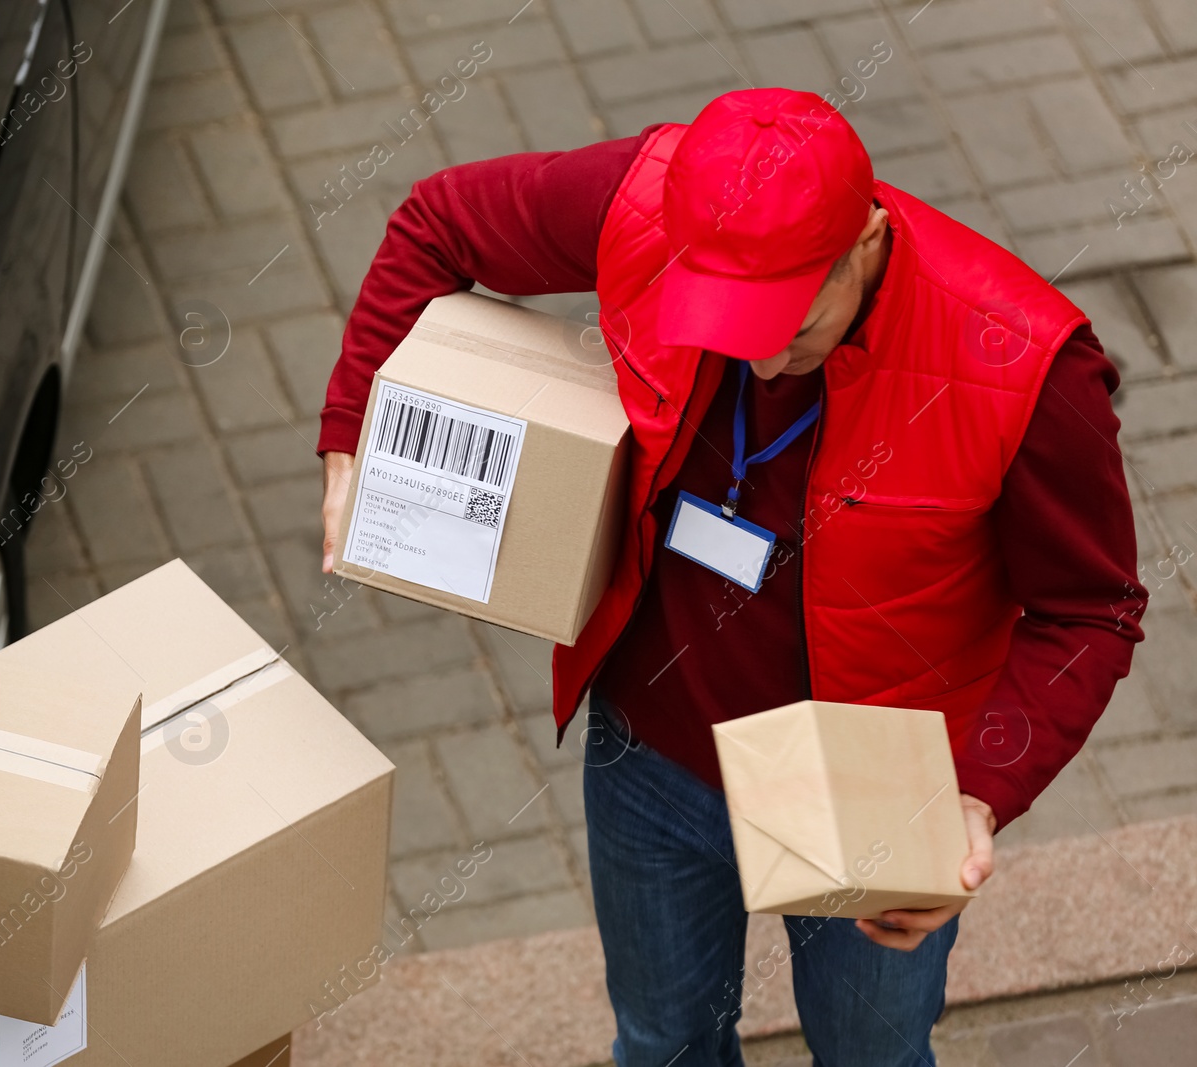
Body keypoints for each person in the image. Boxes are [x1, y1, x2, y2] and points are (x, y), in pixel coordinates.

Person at [316, 87, 1145, 1066]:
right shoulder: (650, 201)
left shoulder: (1024, 365)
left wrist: (976, 791)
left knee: (871, 1053)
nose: (756, 362)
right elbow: (435, 225)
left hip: (867, 790)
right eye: (726, 323)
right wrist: (348, 446)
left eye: (790, 328)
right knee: (663, 1041)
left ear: (868, 240)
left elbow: (1089, 610)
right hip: (651, 750)